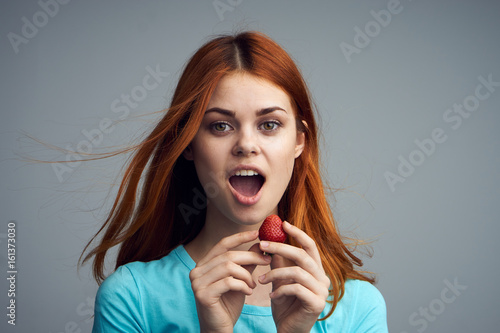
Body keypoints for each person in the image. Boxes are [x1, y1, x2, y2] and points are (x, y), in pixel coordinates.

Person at [81, 31, 388, 332]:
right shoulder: (132, 299)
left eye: (269, 124)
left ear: (299, 141)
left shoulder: (359, 308)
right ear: (188, 144)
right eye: (221, 126)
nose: (246, 144)